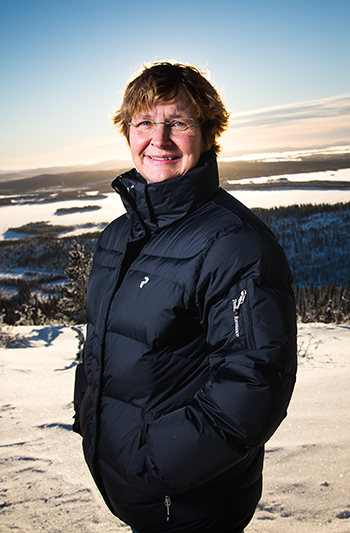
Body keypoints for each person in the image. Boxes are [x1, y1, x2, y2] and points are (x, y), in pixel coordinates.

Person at [73, 62, 297, 533]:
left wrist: (151, 464)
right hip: (141, 494)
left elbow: (252, 388)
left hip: (191, 503)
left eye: (178, 122)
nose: (160, 139)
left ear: (209, 133)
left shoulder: (235, 244)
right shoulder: (118, 237)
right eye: (145, 123)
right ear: (128, 133)